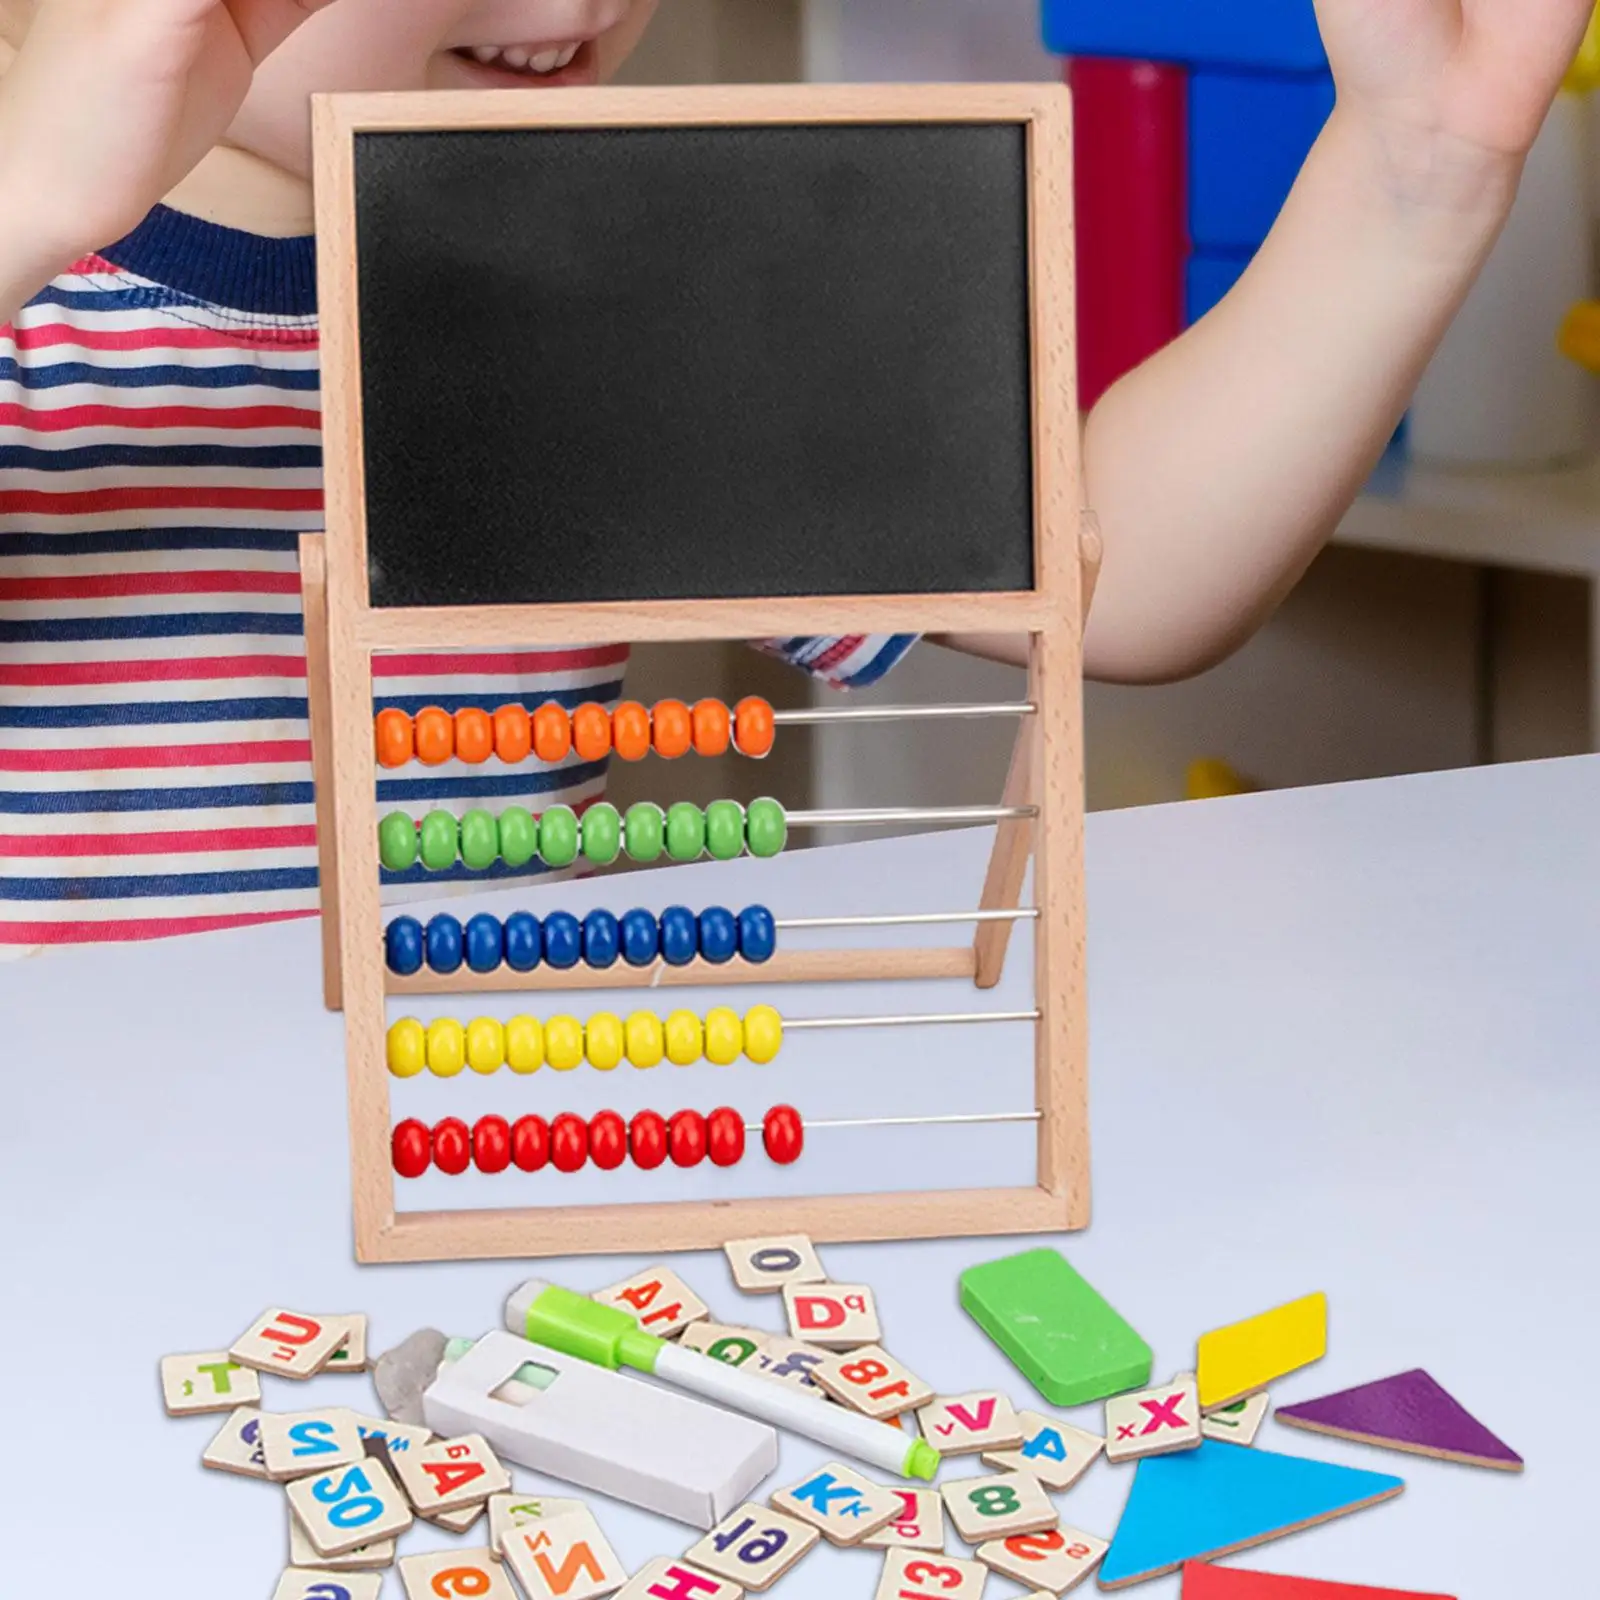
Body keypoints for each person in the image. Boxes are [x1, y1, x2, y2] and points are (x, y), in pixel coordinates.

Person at [0, 0, 1592, 946]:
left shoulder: (606, 316)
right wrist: (39, 189)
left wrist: (1417, 177)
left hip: (440, 1239)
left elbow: (1118, 575)